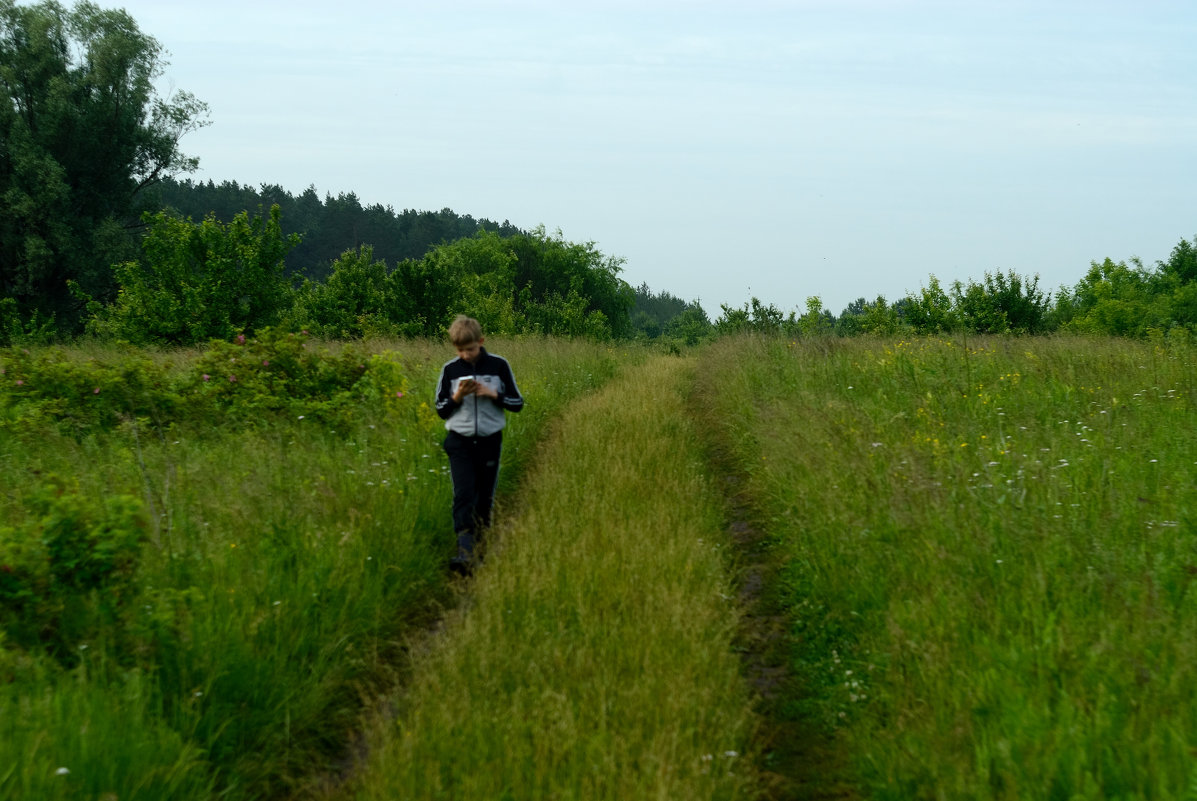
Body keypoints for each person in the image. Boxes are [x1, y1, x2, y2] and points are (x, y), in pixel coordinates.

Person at [434, 315, 524, 573]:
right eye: (460, 350)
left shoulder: (498, 366)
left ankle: (481, 547)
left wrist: (492, 394)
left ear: (481, 342)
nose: (465, 355)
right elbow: (441, 410)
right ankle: (464, 550)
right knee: (463, 494)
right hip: (459, 440)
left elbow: (517, 403)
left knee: (484, 496)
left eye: (470, 349)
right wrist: (457, 396)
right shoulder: (450, 370)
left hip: (489, 440)